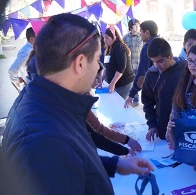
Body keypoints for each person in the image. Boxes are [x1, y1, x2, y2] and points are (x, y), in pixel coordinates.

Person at [1, 13, 154, 194]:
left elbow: (69, 161)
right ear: (80, 63)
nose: (99, 68)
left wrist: (115, 164)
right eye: (97, 59)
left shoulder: (46, 100)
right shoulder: (44, 140)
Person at [142, 37, 185, 141]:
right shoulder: (151, 74)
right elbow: (147, 102)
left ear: (170, 56)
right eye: (154, 62)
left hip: (185, 131)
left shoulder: (186, 70)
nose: (157, 65)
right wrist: (152, 125)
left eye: (160, 61)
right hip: (162, 131)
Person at [124, 20, 158, 108]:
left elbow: (142, 72)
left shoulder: (147, 47)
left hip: (154, 87)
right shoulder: (161, 43)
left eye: (141, 31)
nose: (140, 33)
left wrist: (132, 94)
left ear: (147, 32)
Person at [101, 27, 134, 99]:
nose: (104, 40)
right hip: (116, 82)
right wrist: (101, 79)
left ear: (114, 37)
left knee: (119, 103)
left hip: (123, 82)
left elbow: (121, 67)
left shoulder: (119, 47)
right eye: (104, 37)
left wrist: (113, 83)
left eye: (107, 38)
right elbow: (107, 67)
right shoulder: (110, 48)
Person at [123, 18, 143, 106]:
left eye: (138, 26)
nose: (137, 27)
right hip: (130, 64)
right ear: (130, 28)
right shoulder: (126, 38)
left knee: (140, 82)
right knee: (132, 83)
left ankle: (141, 100)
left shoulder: (142, 37)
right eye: (135, 26)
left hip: (139, 64)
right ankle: (134, 100)